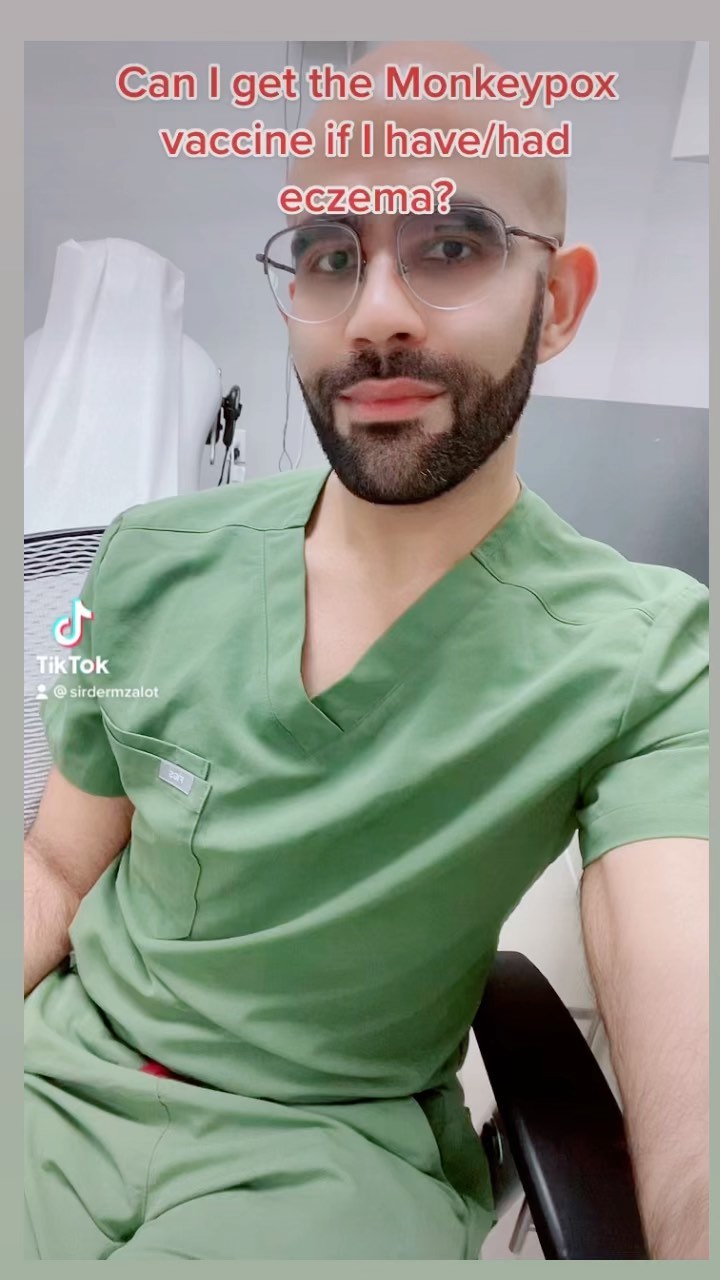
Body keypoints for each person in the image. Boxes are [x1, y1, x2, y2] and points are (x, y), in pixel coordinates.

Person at [24, 40, 709, 1260]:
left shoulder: (644, 658)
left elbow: (692, 1054)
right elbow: (57, 867)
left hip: (327, 1153)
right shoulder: (146, 558)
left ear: (557, 304)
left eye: (452, 246)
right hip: (53, 1082)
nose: (377, 312)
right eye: (331, 255)